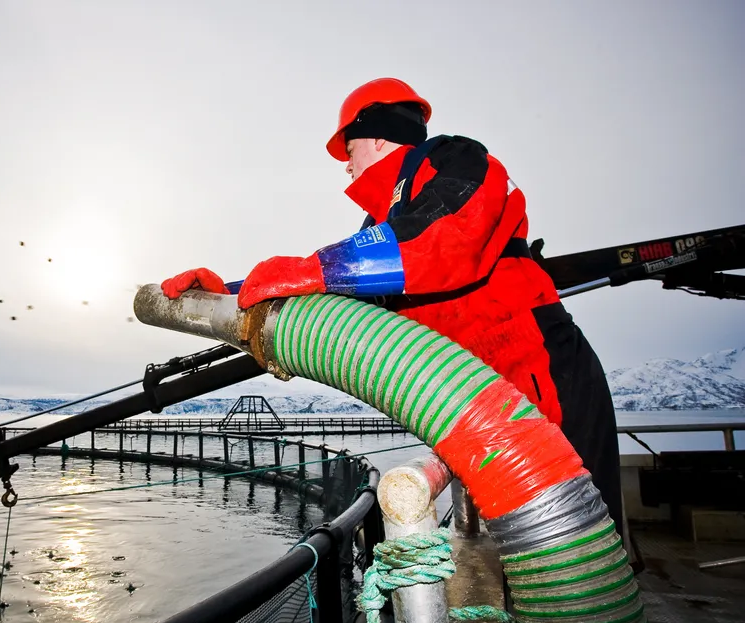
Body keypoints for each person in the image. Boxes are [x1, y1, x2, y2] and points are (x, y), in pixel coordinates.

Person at [161, 77, 623, 533]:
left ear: (379, 137)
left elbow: (446, 236)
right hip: (480, 397)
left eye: (350, 149)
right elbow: (326, 294)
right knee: (523, 550)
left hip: (542, 375)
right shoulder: (380, 228)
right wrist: (227, 292)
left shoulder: (455, 158)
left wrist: (311, 268)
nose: (346, 166)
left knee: (581, 545)